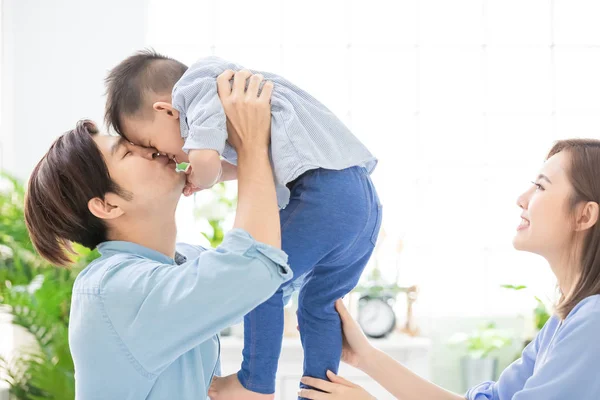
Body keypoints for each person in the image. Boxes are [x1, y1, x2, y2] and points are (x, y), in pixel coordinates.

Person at [104, 51, 382, 399]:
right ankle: (320, 391)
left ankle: (255, 382)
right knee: (318, 307)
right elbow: (251, 165)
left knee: (261, 280)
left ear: (166, 111)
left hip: (326, 197)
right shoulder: (225, 100)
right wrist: (211, 174)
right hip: (360, 202)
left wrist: (198, 172)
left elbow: (206, 161)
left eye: (150, 145)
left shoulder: (195, 89)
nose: (164, 157)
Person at [23, 71, 287, 399]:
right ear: (106, 205)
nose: (151, 149)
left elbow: (269, 277)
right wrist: (251, 147)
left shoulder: (184, 261)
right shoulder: (112, 290)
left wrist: (222, 167)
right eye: (127, 152)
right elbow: (253, 268)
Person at [299, 139, 600, 400]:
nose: (522, 199)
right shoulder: (566, 322)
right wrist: (365, 357)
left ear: (584, 215)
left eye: (540, 186)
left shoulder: (593, 321)